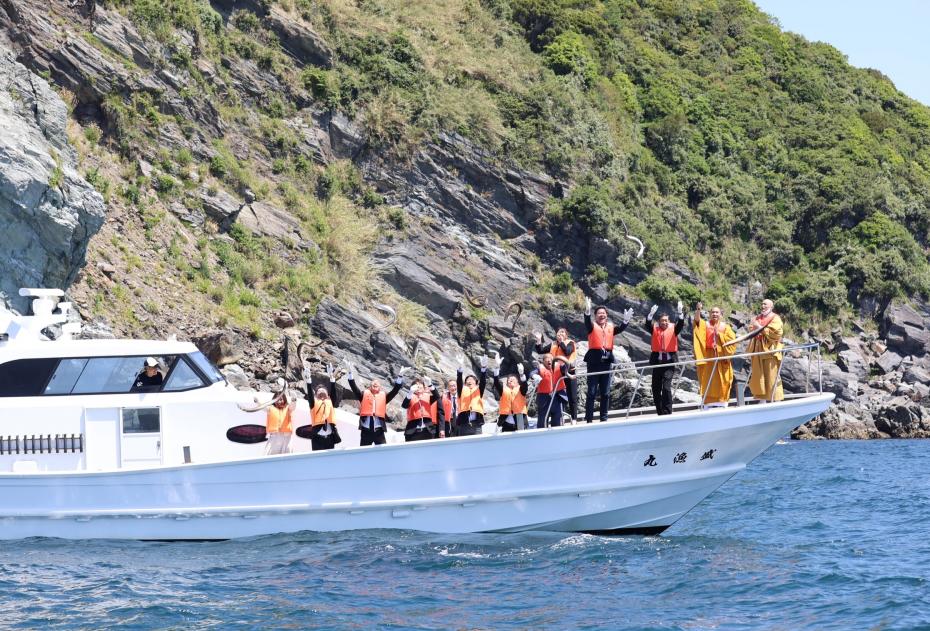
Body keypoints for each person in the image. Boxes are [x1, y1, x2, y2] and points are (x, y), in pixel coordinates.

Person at [583, 298, 633, 423]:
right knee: (592, 392)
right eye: (599, 314)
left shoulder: (610, 327)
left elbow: (620, 329)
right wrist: (587, 311)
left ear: (607, 316)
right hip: (594, 363)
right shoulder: (592, 327)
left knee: (605, 393)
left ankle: (603, 419)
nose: (601, 315)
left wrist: (626, 321)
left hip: (606, 364)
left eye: (603, 314)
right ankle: (589, 419)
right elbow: (587, 322)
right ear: (595, 316)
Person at [692, 303, 736, 408]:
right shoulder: (705, 324)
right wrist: (698, 309)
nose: (714, 314)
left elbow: (732, 342)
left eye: (717, 312)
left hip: (721, 356)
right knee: (707, 379)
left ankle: (722, 402)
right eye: (712, 312)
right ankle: (707, 403)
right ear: (709, 314)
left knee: (724, 379)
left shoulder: (726, 327)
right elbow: (696, 321)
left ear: (721, 314)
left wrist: (719, 335)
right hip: (708, 356)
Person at [347, 364, 403, 446]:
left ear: (380, 387)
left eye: (377, 383)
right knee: (364, 452)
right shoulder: (363, 395)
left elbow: (395, 390)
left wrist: (400, 376)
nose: (375, 383)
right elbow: (354, 388)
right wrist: (350, 373)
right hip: (366, 430)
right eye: (373, 383)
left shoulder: (384, 397)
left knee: (382, 452)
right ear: (370, 386)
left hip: (379, 431)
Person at [647, 302, 685, 415]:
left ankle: (668, 412)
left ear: (669, 321)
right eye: (662, 320)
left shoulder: (674, 329)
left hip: (669, 363)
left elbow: (681, 324)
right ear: (659, 322)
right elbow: (647, 324)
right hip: (657, 363)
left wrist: (680, 313)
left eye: (666, 320)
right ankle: (660, 412)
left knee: (666, 388)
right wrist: (650, 315)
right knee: (655, 389)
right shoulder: (655, 329)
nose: (664, 322)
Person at [534, 328, 578, 422]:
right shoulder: (553, 344)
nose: (560, 333)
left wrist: (561, 342)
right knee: (558, 395)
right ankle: (560, 417)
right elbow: (540, 350)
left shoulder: (570, 343)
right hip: (556, 373)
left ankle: (574, 419)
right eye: (559, 332)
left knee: (572, 396)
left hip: (569, 372)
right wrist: (538, 340)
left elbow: (567, 352)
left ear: (566, 335)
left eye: (563, 332)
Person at [747, 298, 784, 402]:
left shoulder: (775, 318)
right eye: (762, 304)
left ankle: (775, 400)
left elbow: (776, 333)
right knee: (758, 376)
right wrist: (756, 327)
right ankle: (761, 400)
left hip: (769, 351)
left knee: (771, 376)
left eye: (765, 305)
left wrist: (759, 327)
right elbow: (751, 329)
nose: (763, 306)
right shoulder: (757, 317)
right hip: (757, 350)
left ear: (771, 307)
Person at [307, 364, 340, 451]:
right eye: (318, 391)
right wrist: (308, 382)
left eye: (323, 390)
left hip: (330, 438)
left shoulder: (330, 402)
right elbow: (310, 395)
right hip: (317, 438)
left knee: (330, 460)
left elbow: (333, 394)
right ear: (316, 395)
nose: (321, 391)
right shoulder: (313, 404)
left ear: (327, 394)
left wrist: (332, 380)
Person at [531, 354, 569, 428]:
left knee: (557, 419)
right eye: (546, 359)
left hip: (556, 397)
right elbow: (531, 373)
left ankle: (556, 435)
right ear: (543, 361)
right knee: (542, 420)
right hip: (544, 398)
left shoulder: (558, 366)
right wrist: (534, 376)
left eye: (550, 359)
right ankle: (542, 435)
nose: (549, 360)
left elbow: (566, 368)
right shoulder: (540, 368)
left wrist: (564, 363)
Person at [493, 358, 529, 432]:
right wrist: (497, 367)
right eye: (508, 379)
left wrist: (521, 374)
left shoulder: (521, 389)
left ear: (518, 382)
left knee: (521, 438)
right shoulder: (503, 390)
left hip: (519, 418)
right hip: (505, 421)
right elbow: (496, 383)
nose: (510, 380)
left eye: (513, 379)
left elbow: (525, 385)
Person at [455, 356, 488, 436]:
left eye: (471, 379)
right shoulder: (462, 390)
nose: (469, 381)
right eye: (467, 380)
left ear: (476, 383)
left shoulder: (478, 390)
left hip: (476, 424)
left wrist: (483, 369)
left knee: (478, 445)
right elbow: (459, 382)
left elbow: (483, 382)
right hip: (464, 424)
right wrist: (460, 368)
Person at [401, 377, 440, 441]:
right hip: (413, 431)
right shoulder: (409, 397)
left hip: (428, 430)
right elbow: (404, 405)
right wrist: (410, 392)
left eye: (420, 387)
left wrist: (430, 384)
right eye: (417, 387)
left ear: (424, 388)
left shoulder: (428, 397)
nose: (418, 389)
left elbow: (437, 396)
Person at [265, 379, 295, 455]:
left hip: (286, 437)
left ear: (284, 400)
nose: (279, 401)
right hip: (274, 437)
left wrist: (294, 401)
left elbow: (293, 407)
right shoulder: (270, 408)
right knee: (268, 456)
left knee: (288, 457)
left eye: (281, 399)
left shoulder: (288, 408)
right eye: (277, 400)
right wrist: (257, 402)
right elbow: (263, 408)